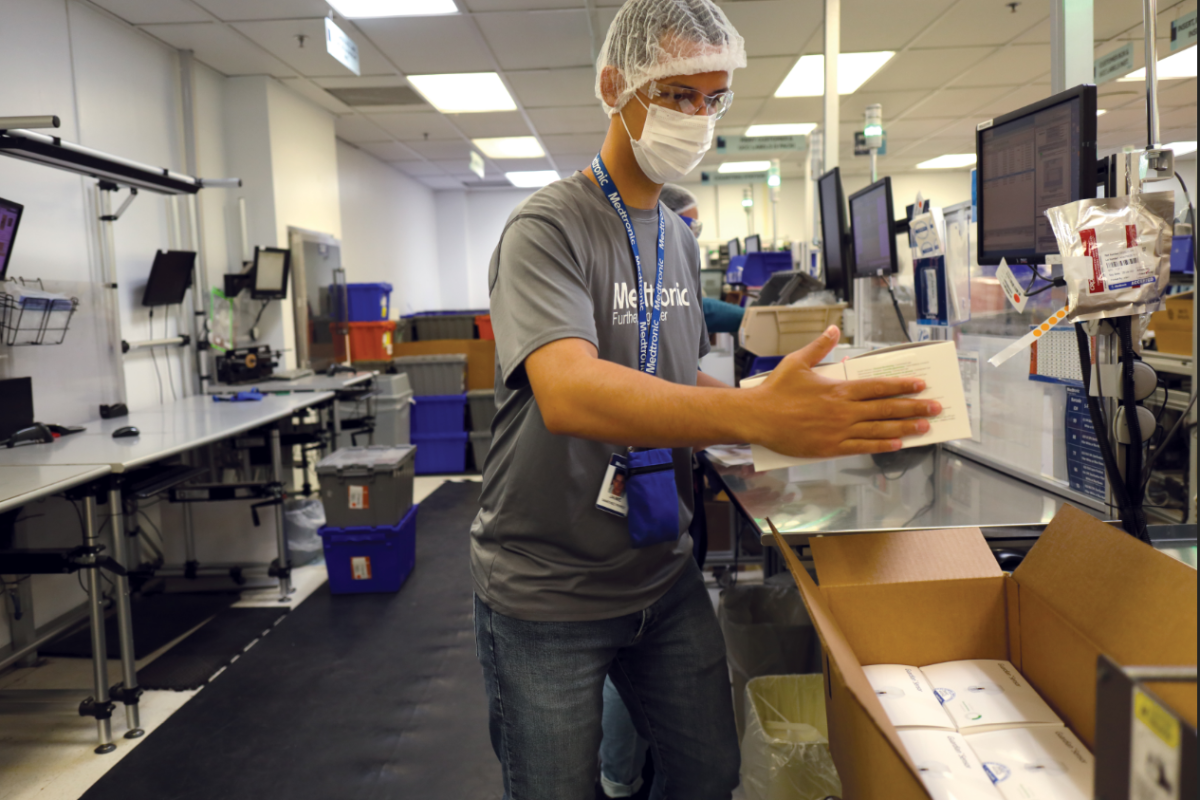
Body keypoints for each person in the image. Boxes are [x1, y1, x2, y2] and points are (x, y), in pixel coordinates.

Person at [472, 1, 941, 798]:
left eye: (714, 97)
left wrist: (786, 413)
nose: (698, 116)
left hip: (660, 572)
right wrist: (753, 415)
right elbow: (570, 391)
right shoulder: (547, 227)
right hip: (546, 587)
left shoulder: (678, 239)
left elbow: (670, 375)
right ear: (615, 86)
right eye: (678, 94)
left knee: (708, 774)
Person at [659, 184, 746, 335]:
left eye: (696, 229)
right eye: (691, 226)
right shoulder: (657, 262)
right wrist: (746, 317)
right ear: (667, 221)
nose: (693, 236)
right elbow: (696, 309)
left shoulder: (675, 259)